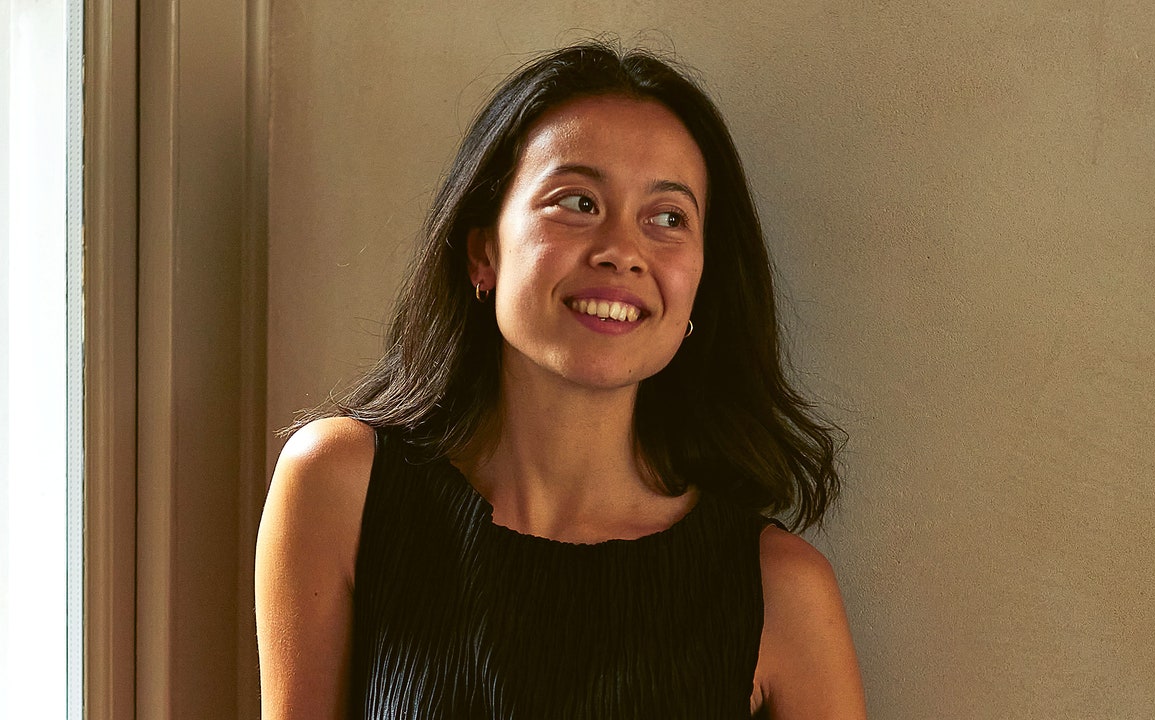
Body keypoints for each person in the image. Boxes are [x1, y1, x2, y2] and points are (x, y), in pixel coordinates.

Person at [255, 42, 868, 719]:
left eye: (669, 218)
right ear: (483, 251)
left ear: (702, 281)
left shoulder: (782, 593)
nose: (622, 252)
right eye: (577, 202)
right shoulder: (341, 490)